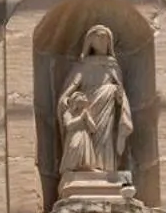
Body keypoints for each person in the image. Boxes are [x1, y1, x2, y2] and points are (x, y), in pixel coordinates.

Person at [56, 24, 134, 188]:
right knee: (84, 137)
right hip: (87, 105)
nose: (102, 42)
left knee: (105, 137)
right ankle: (85, 167)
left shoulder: (113, 65)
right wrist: (65, 98)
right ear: (90, 42)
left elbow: (120, 90)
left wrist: (118, 94)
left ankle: (106, 169)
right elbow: (73, 85)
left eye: (105, 39)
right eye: (98, 38)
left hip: (107, 107)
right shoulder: (83, 64)